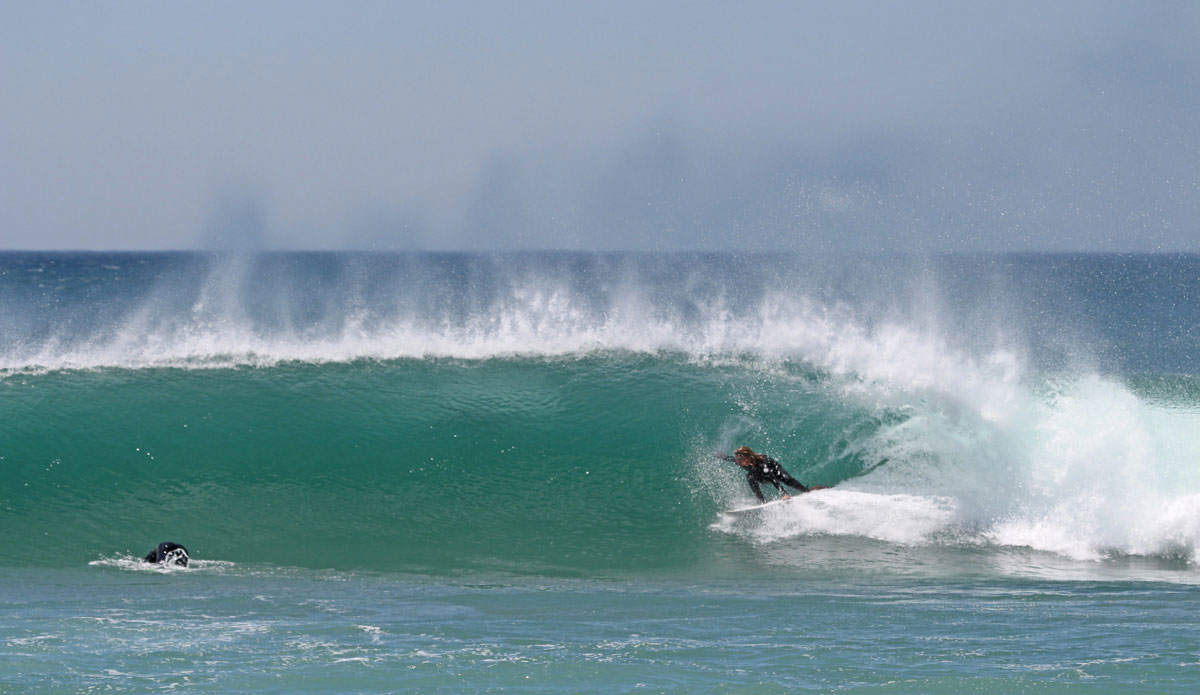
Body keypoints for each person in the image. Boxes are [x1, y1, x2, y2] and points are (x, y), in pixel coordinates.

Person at [717, 446, 813, 502]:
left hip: (775, 471)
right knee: (749, 476)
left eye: (740, 458)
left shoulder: (762, 463)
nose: (738, 461)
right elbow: (731, 459)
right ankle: (763, 501)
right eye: (737, 458)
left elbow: (773, 479)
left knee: (786, 479)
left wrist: (784, 494)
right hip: (762, 476)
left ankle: (806, 491)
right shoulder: (743, 462)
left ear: (748, 457)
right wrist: (722, 457)